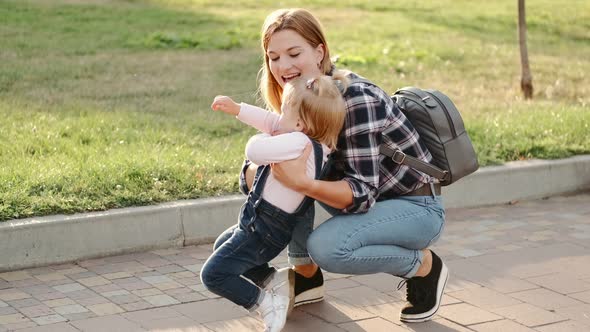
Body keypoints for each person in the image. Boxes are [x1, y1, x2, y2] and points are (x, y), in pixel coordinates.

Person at [241, 8, 449, 323]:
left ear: (319, 51)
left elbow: (362, 193)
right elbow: (252, 177)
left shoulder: (354, 99)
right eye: (274, 57)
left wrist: (301, 182)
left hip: (415, 207)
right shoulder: (298, 96)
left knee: (328, 247)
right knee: (289, 178)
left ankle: (424, 266)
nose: (283, 66)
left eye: (294, 53)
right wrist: (263, 171)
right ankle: (306, 276)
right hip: (364, 203)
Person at [200, 73, 349, 332]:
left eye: (285, 111)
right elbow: (272, 122)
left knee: (213, 274)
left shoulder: (297, 142)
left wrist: (264, 139)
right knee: (221, 246)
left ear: (301, 124)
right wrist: (238, 109)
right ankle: (270, 280)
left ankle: (264, 302)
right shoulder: (314, 143)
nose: (279, 117)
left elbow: (255, 151)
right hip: (264, 226)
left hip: (263, 230)